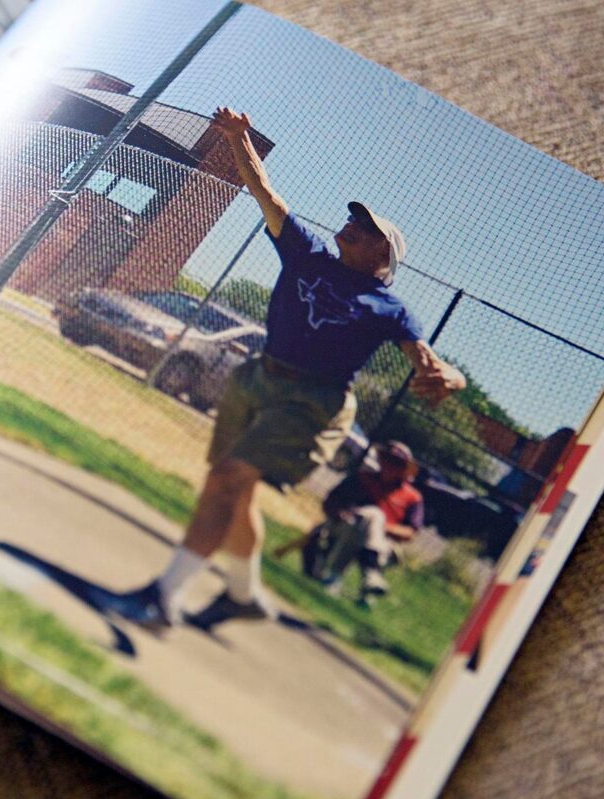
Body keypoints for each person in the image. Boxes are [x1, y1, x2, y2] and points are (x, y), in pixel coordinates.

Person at [116, 106, 465, 630]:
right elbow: (265, 192)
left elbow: (431, 364)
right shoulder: (308, 255)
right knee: (230, 489)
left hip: (313, 403)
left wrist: (450, 379)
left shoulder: (388, 307)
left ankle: (162, 598)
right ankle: (243, 595)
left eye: (365, 226)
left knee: (230, 480)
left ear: (383, 256)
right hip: (258, 378)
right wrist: (238, 137)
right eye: (354, 217)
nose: (352, 223)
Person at [306, 441, 424, 599]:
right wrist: (340, 513)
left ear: (404, 469)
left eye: (396, 463)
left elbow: (410, 533)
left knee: (371, 517)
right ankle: (370, 576)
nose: (389, 466)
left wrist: (378, 526)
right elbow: (330, 502)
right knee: (363, 520)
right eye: (387, 460)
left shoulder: (412, 497)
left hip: (384, 542)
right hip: (342, 526)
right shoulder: (362, 479)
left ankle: (334, 578)